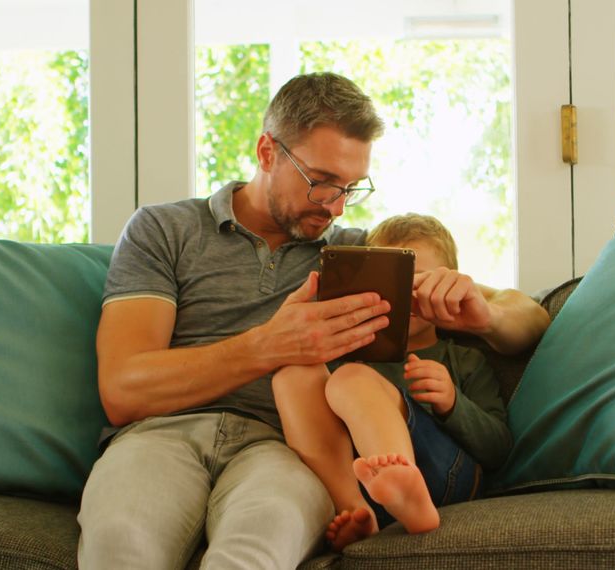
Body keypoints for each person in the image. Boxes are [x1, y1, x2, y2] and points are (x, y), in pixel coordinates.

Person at [76, 72, 550, 569]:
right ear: (266, 152)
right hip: (158, 438)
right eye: (321, 182)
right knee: (121, 545)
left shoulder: (356, 255)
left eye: (350, 188)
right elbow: (124, 389)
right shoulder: (164, 230)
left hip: (283, 451)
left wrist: (484, 316)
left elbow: (532, 318)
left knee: (256, 551)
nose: (336, 205)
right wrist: (267, 345)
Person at [272, 213, 511, 552]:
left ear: (447, 286)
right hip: (362, 483)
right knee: (293, 374)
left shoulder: (463, 360)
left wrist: (453, 404)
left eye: (422, 282)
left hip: (445, 475)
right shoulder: (346, 355)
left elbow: (499, 450)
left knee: (351, 379)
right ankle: (355, 508)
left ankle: (406, 489)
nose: (409, 295)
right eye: (395, 282)